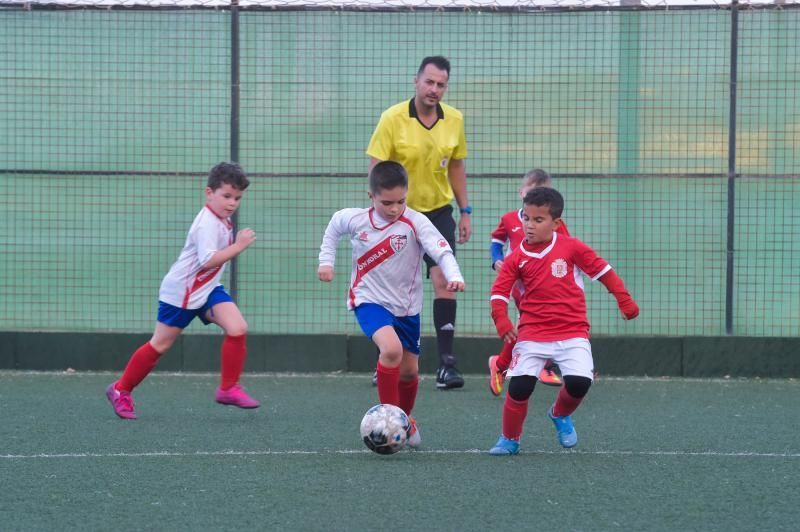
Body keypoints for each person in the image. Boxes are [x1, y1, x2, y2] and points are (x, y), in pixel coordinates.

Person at [318, 161, 465, 448]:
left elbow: (441, 249)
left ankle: (405, 420)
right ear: (370, 196)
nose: (395, 208)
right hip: (368, 300)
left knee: (410, 371)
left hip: (407, 308)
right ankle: (389, 419)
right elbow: (334, 227)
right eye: (387, 202)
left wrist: (454, 275)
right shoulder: (355, 219)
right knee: (391, 349)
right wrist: (326, 262)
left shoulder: (416, 222)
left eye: (401, 201)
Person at [487, 187, 639, 455]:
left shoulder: (571, 247)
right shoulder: (516, 258)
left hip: (572, 332)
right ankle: (510, 439)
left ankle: (559, 414)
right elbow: (499, 293)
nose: (529, 226)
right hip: (532, 333)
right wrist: (502, 320)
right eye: (526, 218)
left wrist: (624, 300)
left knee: (580, 383)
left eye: (538, 220)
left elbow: (604, 271)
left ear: (556, 223)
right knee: (521, 386)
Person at [105, 162, 260, 420]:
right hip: (181, 293)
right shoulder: (207, 224)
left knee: (237, 328)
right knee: (160, 345)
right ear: (208, 193)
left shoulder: (222, 218)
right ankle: (121, 390)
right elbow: (208, 260)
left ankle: (228, 388)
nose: (232, 203)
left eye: (237, 198)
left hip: (207, 289)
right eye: (226, 196)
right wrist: (240, 245)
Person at [366, 55, 471, 390]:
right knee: (393, 288)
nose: (434, 89)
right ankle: (387, 360)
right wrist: (380, 214)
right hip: (400, 215)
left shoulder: (454, 120)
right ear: (416, 81)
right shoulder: (392, 118)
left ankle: (446, 365)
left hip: (439, 213)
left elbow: (456, 166)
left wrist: (465, 210)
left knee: (444, 280)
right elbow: (377, 167)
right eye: (429, 82)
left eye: (441, 84)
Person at [487, 169, 566, 395]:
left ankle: (501, 364)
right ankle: (537, 366)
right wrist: (497, 261)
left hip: (547, 281)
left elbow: (567, 246)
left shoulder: (553, 223)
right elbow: (496, 242)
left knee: (536, 323)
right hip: (521, 283)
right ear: (521, 192)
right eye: (531, 192)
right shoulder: (510, 219)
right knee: (533, 322)